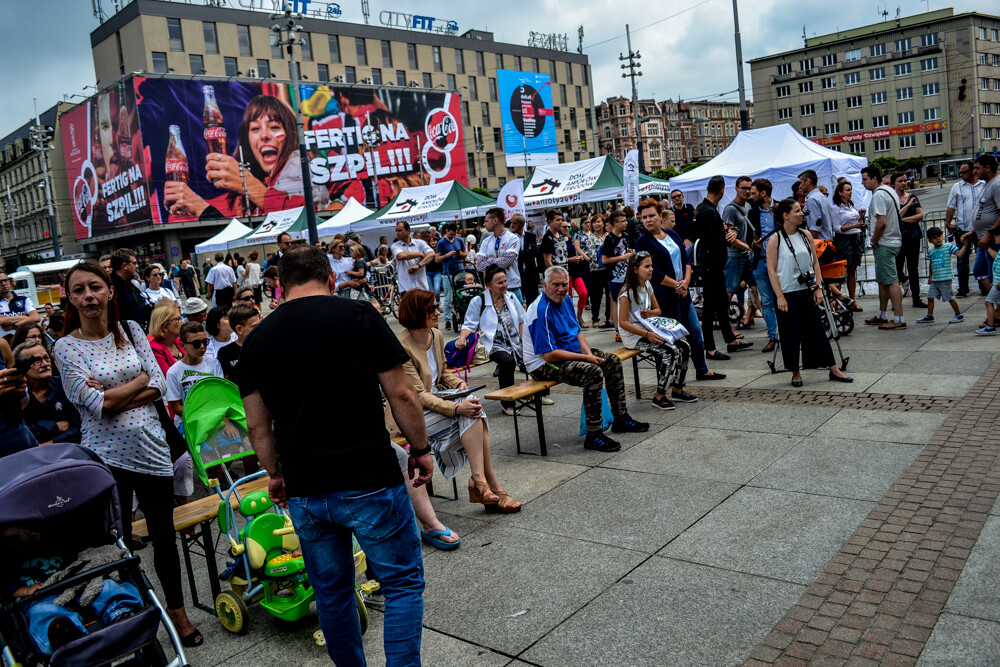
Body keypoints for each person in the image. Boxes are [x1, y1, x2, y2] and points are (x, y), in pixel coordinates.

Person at [240, 246, 433, 665]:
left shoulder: (255, 341)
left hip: (305, 485)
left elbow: (257, 426)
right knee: (400, 584)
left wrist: (275, 474)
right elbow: (401, 393)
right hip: (368, 476)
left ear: (279, 285)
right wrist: (420, 449)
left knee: (332, 592)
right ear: (330, 279)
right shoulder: (359, 316)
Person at [52, 259, 202, 646]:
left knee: (164, 539)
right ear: (69, 298)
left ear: (110, 290)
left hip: (153, 452)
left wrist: (116, 392)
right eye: (79, 290)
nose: (89, 296)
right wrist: (135, 383)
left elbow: (157, 388)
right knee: (113, 545)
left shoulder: (133, 330)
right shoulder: (66, 347)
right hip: (105, 460)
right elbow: (92, 404)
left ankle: (178, 615)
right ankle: (131, 617)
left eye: (95, 287)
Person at [397, 289, 522, 512]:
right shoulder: (402, 345)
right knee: (473, 414)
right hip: (413, 413)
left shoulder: (435, 335)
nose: (439, 311)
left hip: (438, 400)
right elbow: (419, 396)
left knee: (472, 408)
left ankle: (481, 482)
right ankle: (488, 484)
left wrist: (458, 384)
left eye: (437, 306)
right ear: (417, 312)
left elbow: (444, 372)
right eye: (432, 308)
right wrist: (457, 407)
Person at [523, 266, 649, 453]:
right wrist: (586, 359)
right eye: (556, 284)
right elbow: (549, 354)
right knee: (592, 372)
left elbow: (577, 332)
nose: (561, 289)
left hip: (568, 352)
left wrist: (589, 355)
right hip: (543, 364)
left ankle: (621, 418)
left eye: (564, 284)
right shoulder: (540, 311)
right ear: (545, 284)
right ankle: (594, 434)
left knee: (612, 361)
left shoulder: (565, 299)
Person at [162, 95, 306, 221]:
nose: (264, 135)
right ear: (247, 140)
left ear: (291, 135)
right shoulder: (236, 200)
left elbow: (302, 216)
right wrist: (187, 203)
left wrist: (248, 184)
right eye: (255, 129)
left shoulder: (308, 178)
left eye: (274, 127)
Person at [635, 199, 725, 382]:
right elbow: (653, 273)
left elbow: (686, 259)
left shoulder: (672, 234)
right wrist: (677, 285)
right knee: (671, 337)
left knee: (695, 332)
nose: (648, 220)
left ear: (660, 216)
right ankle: (673, 377)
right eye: (644, 217)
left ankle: (702, 369)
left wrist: (686, 281)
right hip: (664, 296)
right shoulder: (642, 242)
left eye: (651, 215)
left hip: (683, 292)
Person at [766, 199, 853, 387]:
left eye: (801, 210)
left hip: (807, 290)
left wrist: (819, 288)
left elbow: (815, 263)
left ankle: (833, 367)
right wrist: (779, 296)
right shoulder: (775, 239)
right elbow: (771, 270)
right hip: (787, 293)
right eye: (797, 211)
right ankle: (795, 372)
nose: (801, 214)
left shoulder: (806, 235)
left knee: (817, 330)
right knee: (791, 333)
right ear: (785, 215)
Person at [617, 252, 697, 410]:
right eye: (647, 266)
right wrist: (647, 335)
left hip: (648, 329)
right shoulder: (626, 293)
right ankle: (659, 395)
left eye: (651, 266)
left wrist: (650, 313)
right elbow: (623, 323)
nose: (651, 269)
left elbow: (658, 310)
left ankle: (678, 388)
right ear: (635, 269)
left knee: (685, 346)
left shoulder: (647, 285)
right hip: (634, 336)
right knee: (669, 351)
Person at [457, 265, 528, 416]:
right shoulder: (478, 300)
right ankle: (507, 403)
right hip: (492, 343)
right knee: (508, 362)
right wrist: (462, 337)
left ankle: (538, 395)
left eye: (505, 281)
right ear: (489, 285)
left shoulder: (511, 297)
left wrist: (525, 343)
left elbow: (522, 321)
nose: (504, 285)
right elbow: (469, 324)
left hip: (514, 340)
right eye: (500, 282)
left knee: (536, 350)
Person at [697, 176, 752, 358]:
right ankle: (710, 348)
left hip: (716, 265)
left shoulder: (709, 209)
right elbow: (720, 236)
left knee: (721, 303)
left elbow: (725, 232)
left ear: (707, 188)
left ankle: (730, 339)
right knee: (710, 307)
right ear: (722, 190)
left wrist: (729, 232)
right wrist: (728, 234)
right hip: (711, 266)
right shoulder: (707, 211)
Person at [861, 165, 906, 330]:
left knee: (891, 280)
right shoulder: (889, 190)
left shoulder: (879, 195)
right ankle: (882, 314)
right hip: (892, 240)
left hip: (885, 243)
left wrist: (873, 239)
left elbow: (882, 222)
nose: (862, 183)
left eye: (865, 179)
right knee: (883, 280)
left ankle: (899, 318)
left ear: (874, 179)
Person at [16, 340, 81, 445]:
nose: (45, 364)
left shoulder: (65, 385)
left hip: (68, 451)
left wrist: (51, 443)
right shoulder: (16, 394)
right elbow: (19, 431)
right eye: (36, 360)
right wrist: (54, 426)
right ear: (21, 367)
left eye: (46, 358)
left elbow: (79, 426)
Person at [747, 178, 780, 352]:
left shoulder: (780, 208)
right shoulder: (752, 213)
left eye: (753, 193)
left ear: (763, 193)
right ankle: (773, 336)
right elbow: (748, 239)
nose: (750, 196)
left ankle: (789, 335)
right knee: (766, 301)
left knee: (784, 298)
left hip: (780, 262)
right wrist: (754, 244)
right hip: (760, 261)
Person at [960, 155, 1000, 295]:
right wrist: (973, 232)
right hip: (982, 239)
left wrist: (989, 235)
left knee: (994, 276)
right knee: (979, 272)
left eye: (977, 168)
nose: (974, 171)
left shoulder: (997, 184)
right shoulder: (988, 183)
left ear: (987, 168)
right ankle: (995, 304)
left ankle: (997, 309)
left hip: (993, 240)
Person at [945, 160, 985, 297]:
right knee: (962, 260)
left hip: (980, 230)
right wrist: (948, 223)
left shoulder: (984, 185)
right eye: (960, 171)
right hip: (962, 229)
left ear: (973, 171)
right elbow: (951, 206)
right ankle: (963, 289)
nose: (960, 174)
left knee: (982, 259)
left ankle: (984, 288)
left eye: (963, 171)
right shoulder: (957, 187)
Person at [722, 177, 755, 327]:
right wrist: (748, 247)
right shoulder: (730, 209)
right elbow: (730, 238)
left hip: (747, 255)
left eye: (749, 188)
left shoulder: (748, 206)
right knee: (729, 292)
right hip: (734, 256)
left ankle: (753, 319)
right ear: (736, 188)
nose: (747, 191)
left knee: (754, 289)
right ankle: (727, 328)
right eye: (744, 188)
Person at [917, 227, 968, 324]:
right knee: (930, 297)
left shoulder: (948, 246)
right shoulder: (931, 251)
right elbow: (931, 264)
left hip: (945, 279)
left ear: (942, 236)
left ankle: (958, 314)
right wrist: (930, 276)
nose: (938, 239)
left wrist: (965, 246)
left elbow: (960, 254)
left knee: (949, 298)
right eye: (934, 237)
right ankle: (929, 316)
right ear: (930, 240)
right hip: (935, 280)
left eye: (939, 236)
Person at [891, 171, 927, 308]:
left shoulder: (913, 196)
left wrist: (903, 220)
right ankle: (896, 299)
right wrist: (906, 207)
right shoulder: (892, 198)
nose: (903, 183)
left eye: (905, 180)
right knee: (897, 269)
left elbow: (920, 215)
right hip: (898, 238)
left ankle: (916, 298)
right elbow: (895, 216)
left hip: (912, 236)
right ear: (894, 183)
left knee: (913, 268)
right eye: (900, 181)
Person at [831, 180, 866, 311]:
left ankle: (852, 299)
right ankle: (838, 299)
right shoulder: (836, 208)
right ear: (840, 193)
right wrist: (854, 225)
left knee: (852, 269)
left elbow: (856, 223)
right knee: (841, 271)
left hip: (855, 238)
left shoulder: (851, 206)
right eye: (847, 190)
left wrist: (861, 218)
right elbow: (837, 228)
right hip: (843, 240)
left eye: (850, 190)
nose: (850, 192)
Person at [476, 208, 523, 305]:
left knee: (518, 318)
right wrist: (497, 260)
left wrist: (490, 260)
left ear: (495, 221)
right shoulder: (486, 241)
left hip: (512, 286)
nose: (484, 224)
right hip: (493, 289)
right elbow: (479, 266)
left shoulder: (513, 238)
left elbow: (507, 262)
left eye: (486, 221)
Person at [601, 210, 633, 331]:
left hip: (626, 273)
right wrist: (622, 257)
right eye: (623, 221)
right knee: (615, 300)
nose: (625, 223)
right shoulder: (609, 239)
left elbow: (624, 251)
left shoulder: (624, 236)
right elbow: (605, 260)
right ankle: (617, 329)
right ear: (615, 223)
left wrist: (629, 253)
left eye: (626, 220)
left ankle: (626, 325)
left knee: (626, 298)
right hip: (614, 275)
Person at [216, 304, 259, 384]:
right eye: (255, 327)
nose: (259, 329)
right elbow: (226, 381)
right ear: (239, 329)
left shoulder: (265, 347)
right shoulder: (225, 352)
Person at [391, 221, 434, 295]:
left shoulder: (420, 243)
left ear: (408, 230)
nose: (397, 233)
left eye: (400, 230)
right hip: (406, 288)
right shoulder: (395, 245)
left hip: (422, 287)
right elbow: (401, 256)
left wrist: (418, 266)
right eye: (396, 231)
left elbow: (432, 254)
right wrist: (420, 254)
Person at [436, 223, 466, 328]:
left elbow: (465, 254)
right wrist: (448, 255)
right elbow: (437, 259)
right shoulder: (441, 243)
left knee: (463, 295)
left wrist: (460, 254)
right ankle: (448, 320)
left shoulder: (460, 240)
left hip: (460, 271)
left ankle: (463, 316)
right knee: (448, 298)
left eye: (454, 234)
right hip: (448, 272)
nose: (453, 236)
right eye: (451, 234)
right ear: (446, 231)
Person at [586, 214, 613, 329]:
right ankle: (595, 318)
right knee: (596, 296)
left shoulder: (608, 236)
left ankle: (608, 318)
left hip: (608, 270)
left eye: (599, 221)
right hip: (596, 270)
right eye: (594, 222)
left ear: (603, 223)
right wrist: (605, 261)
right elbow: (592, 254)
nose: (596, 224)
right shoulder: (591, 238)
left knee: (609, 295)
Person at [509, 214, 539, 307]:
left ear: (521, 225)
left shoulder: (531, 236)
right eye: (511, 223)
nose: (512, 225)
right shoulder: (509, 238)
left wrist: (519, 253)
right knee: (517, 304)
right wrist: (526, 252)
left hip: (531, 274)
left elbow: (534, 252)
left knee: (533, 304)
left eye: (515, 223)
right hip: (517, 275)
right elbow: (512, 255)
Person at [0, 271, 40, 338]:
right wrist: (26, 317)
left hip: (25, 340)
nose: (3, 284)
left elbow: (36, 318)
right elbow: (1, 321)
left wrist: (14, 326)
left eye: (5, 280)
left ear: (9, 281)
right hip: (6, 343)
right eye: (0, 282)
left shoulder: (24, 299)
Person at [799, 170, 835, 241]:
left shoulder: (812, 199)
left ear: (808, 181)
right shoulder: (822, 196)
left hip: (820, 244)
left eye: (801, 182)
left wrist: (811, 244)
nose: (800, 186)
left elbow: (815, 227)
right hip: (827, 241)